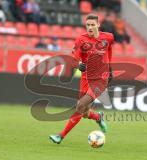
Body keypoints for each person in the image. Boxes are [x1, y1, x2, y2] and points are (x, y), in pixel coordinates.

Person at [49, 14, 114, 144]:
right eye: (88, 25)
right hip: (86, 78)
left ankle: (60, 136)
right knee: (84, 112)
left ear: (98, 25)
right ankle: (97, 116)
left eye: (92, 25)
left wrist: (109, 67)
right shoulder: (81, 40)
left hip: (100, 79)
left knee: (80, 105)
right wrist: (78, 65)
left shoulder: (108, 37)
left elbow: (110, 50)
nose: (90, 27)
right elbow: (74, 60)